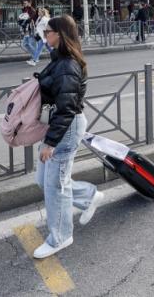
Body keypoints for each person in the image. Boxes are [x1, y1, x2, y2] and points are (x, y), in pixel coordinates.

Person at [33, 15, 102, 259]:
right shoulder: (60, 59)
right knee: (44, 180)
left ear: (60, 35)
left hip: (66, 127)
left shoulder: (67, 65)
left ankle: (61, 237)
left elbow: (67, 107)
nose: (44, 35)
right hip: (60, 125)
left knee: (54, 184)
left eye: (48, 31)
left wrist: (50, 143)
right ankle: (88, 195)